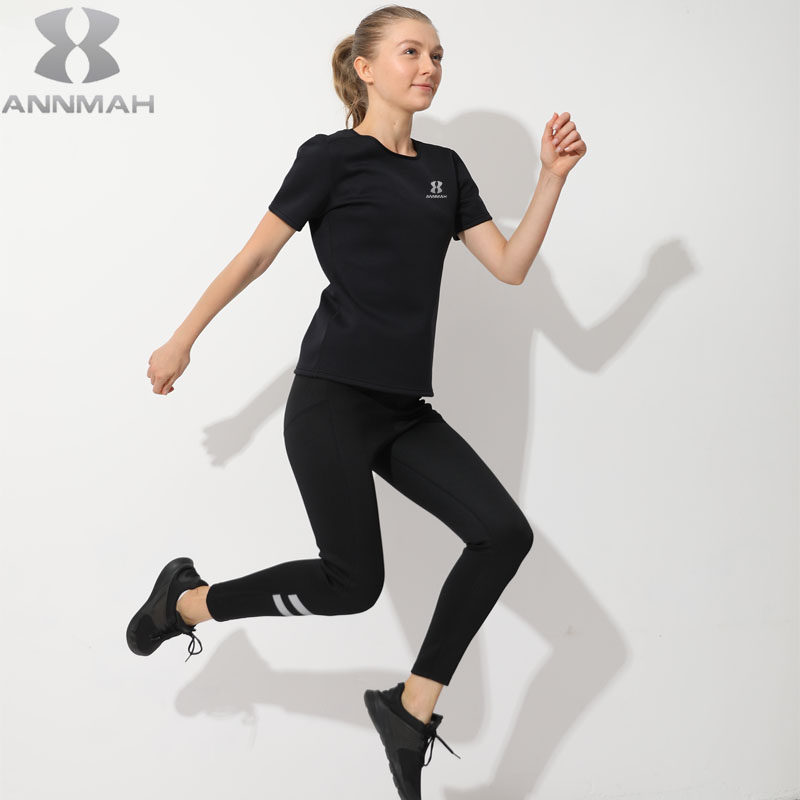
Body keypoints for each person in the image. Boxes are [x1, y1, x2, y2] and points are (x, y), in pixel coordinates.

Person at [126, 5, 586, 799]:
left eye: (437, 54)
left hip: (404, 410)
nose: (429, 66)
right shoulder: (331, 158)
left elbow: (509, 266)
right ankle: (188, 603)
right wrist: (182, 339)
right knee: (352, 585)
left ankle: (410, 710)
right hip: (332, 401)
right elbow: (257, 255)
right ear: (365, 68)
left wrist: (550, 179)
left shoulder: (444, 169)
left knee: (502, 534)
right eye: (411, 52)